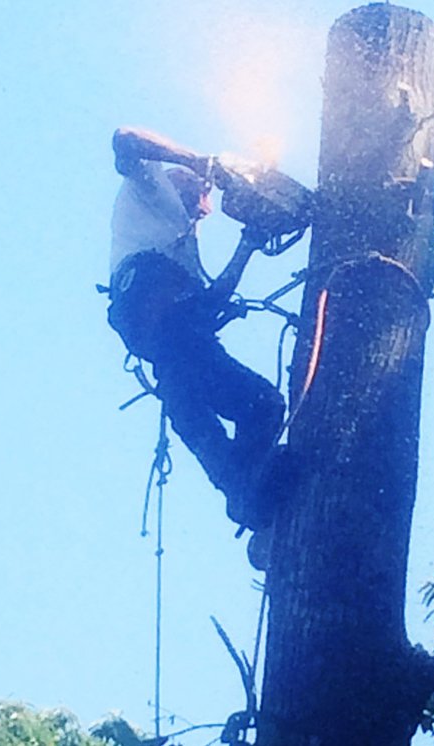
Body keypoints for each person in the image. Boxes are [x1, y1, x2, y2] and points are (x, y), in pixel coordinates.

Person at [106, 127, 286, 531]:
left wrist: (249, 241)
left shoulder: (183, 245)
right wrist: (199, 163)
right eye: (202, 193)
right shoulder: (151, 184)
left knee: (255, 411)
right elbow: (124, 138)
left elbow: (213, 300)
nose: (205, 206)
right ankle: (246, 491)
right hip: (163, 324)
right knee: (263, 406)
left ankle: (247, 495)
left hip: (177, 350)